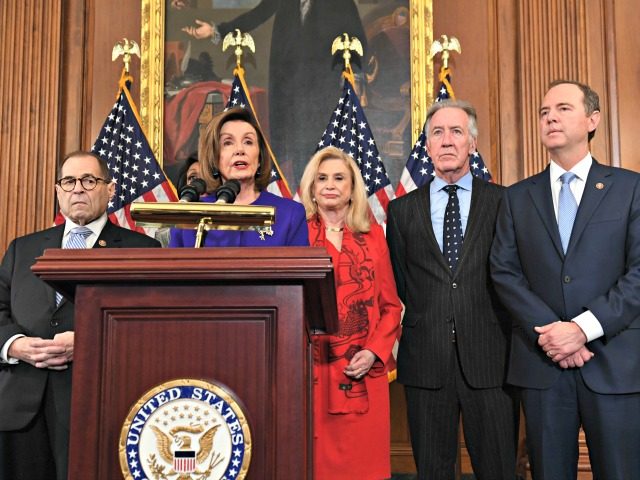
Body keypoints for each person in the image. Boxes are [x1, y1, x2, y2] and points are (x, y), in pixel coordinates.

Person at [490, 80, 640, 479]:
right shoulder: (516, 197)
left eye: (562, 108)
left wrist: (582, 329)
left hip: (613, 363)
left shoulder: (630, 188)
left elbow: (638, 273)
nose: (550, 117)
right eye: (543, 112)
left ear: (592, 120)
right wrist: (555, 334)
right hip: (543, 365)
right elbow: (504, 272)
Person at [0, 151, 161, 480]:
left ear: (110, 189)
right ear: (58, 190)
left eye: (89, 181)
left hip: (99, 404)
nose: (78, 189)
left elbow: (150, 326)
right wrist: (15, 344)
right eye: (69, 181)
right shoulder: (23, 248)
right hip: (21, 409)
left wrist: (90, 342)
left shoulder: (141, 250)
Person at [386, 100, 518, 479]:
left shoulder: (503, 202)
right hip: (426, 362)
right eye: (437, 134)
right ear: (427, 147)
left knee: (497, 469)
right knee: (433, 471)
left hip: (492, 361)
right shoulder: (401, 211)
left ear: (472, 144)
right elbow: (403, 284)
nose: (446, 141)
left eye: (456, 132)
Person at [179, 0, 367, 190]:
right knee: (297, 151)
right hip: (290, 91)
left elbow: (356, 38)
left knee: (323, 150)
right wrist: (216, 30)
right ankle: (302, 202)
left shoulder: (341, 3)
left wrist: (356, 80)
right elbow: (256, 15)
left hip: (325, 90)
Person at [299, 146, 402, 479]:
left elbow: (390, 306)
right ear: (312, 188)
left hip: (363, 373)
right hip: (311, 376)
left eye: (339, 178)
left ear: (352, 187)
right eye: (322, 178)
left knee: (364, 467)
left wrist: (374, 351)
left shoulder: (373, 238)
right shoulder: (297, 236)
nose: (330, 185)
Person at [169, 107, 308, 247]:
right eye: (228, 143)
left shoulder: (290, 214)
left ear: (260, 157)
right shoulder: (190, 216)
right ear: (214, 158)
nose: (240, 150)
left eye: (248, 142)